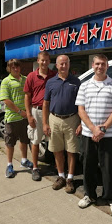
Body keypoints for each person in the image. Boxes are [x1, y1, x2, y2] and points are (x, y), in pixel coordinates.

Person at [76, 54, 112, 215]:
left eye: (103, 64)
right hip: (88, 134)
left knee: (109, 167)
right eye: (97, 64)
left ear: (107, 66)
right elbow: (81, 110)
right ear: (92, 65)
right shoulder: (84, 86)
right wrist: (93, 129)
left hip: (108, 135)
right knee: (88, 165)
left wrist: (103, 128)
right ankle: (89, 195)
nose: (100, 67)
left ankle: (110, 197)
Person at [43, 55, 82, 193]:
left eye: (66, 63)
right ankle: (61, 176)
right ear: (57, 66)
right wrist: (45, 123)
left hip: (72, 119)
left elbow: (82, 105)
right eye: (61, 64)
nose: (63, 66)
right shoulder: (50, 82)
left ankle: (70, 179)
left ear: (69, 64)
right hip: (54, 119)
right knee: (57, 150)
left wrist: (81, 123)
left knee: (72, 150)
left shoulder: (76, 82)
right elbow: (46, 103)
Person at [24, 51, 56, 181]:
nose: (44, 63)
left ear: (49, 61)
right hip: (36, 111)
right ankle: (35, 168)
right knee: (36, 140)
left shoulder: (54, 75)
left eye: (47, 60)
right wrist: (29, 115)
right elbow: (27, 96)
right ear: (38, 61)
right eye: (42, 60)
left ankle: (56, 166)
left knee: (54, 140)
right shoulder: (31, 76)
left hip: (51, 112)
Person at [0, 59, 33, 178]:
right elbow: (6, 100)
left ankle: (24, 160)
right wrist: (19, 111)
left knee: (24, 140)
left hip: (24, 118)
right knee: (10, 142)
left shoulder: (25, 79)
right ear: (9, 68)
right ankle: (9, 165)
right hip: (12, 118)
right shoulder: (6, 81)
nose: (15, 69)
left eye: (17, 67)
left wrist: (27, 112)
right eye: (12, 67)